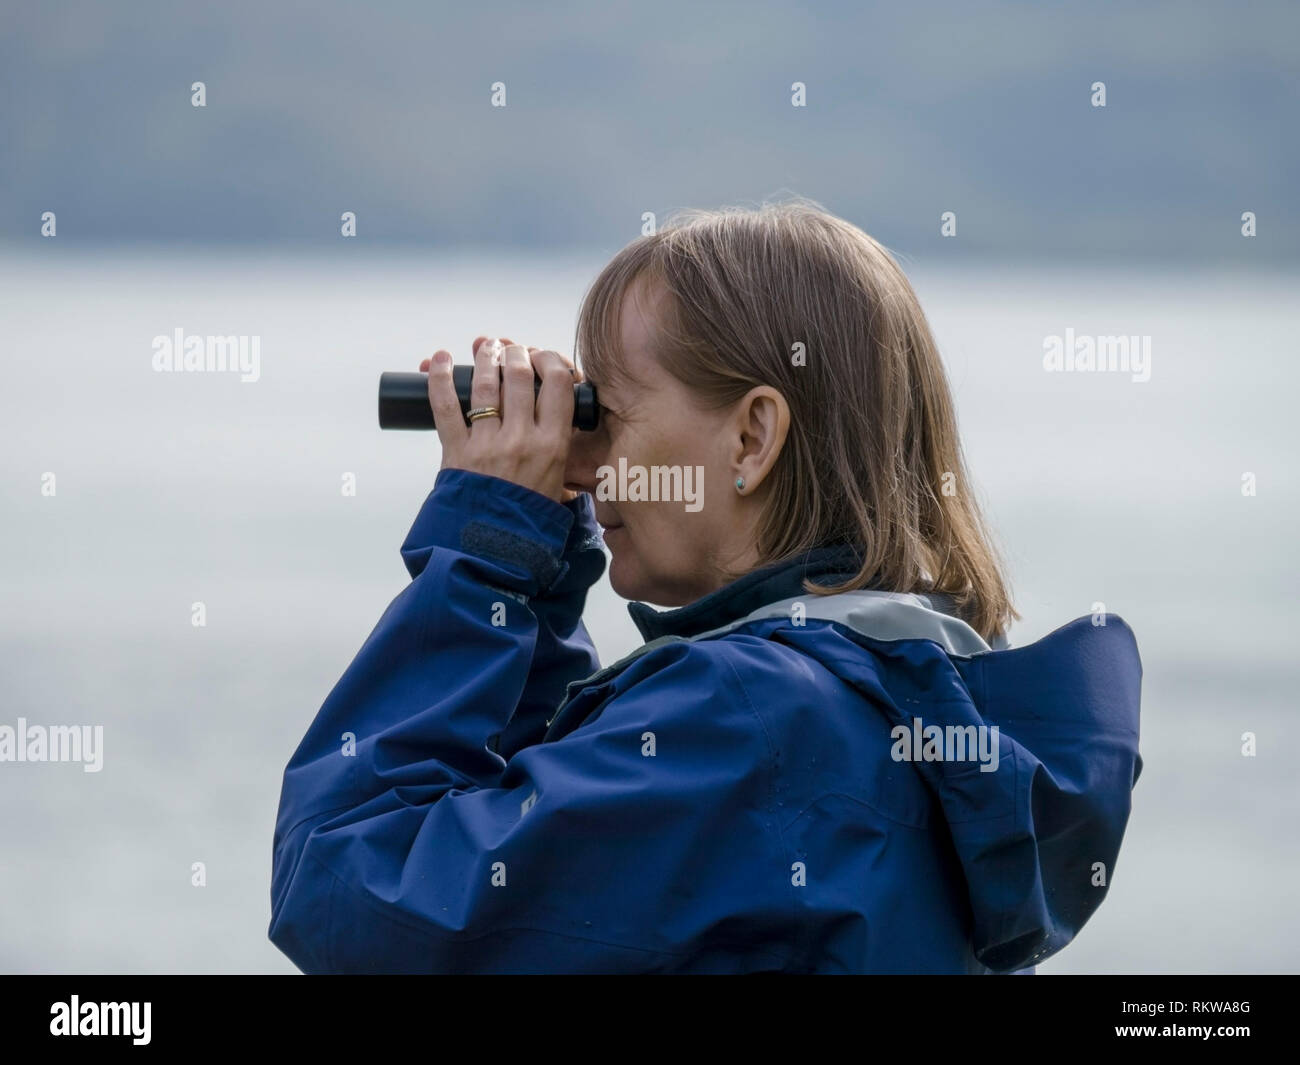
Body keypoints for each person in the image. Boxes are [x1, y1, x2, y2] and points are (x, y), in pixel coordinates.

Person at [268, 200, 1143, 974]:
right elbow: (530, 839)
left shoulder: (744, 718)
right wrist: (536, 577)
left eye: (608, 413)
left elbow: (346, 888)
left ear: (752, 438)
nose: (593, 456)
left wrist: (486, 548)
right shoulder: (902, 698)